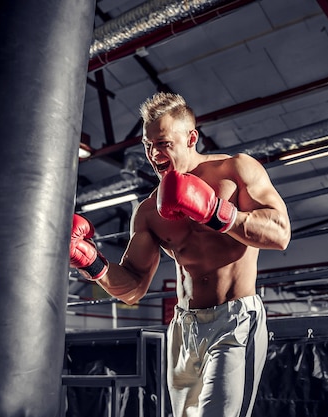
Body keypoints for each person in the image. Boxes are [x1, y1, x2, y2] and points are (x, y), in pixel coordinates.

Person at [69, 92, 291, 417]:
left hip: (233, 320)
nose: (154, 154)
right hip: (183, 327)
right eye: (148, 145)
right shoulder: (148, 211)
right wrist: (91, 261)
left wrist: (215, 211)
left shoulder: (235, 171)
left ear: (190, 138)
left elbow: (280, 233)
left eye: (163, 143)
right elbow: (132, 287)